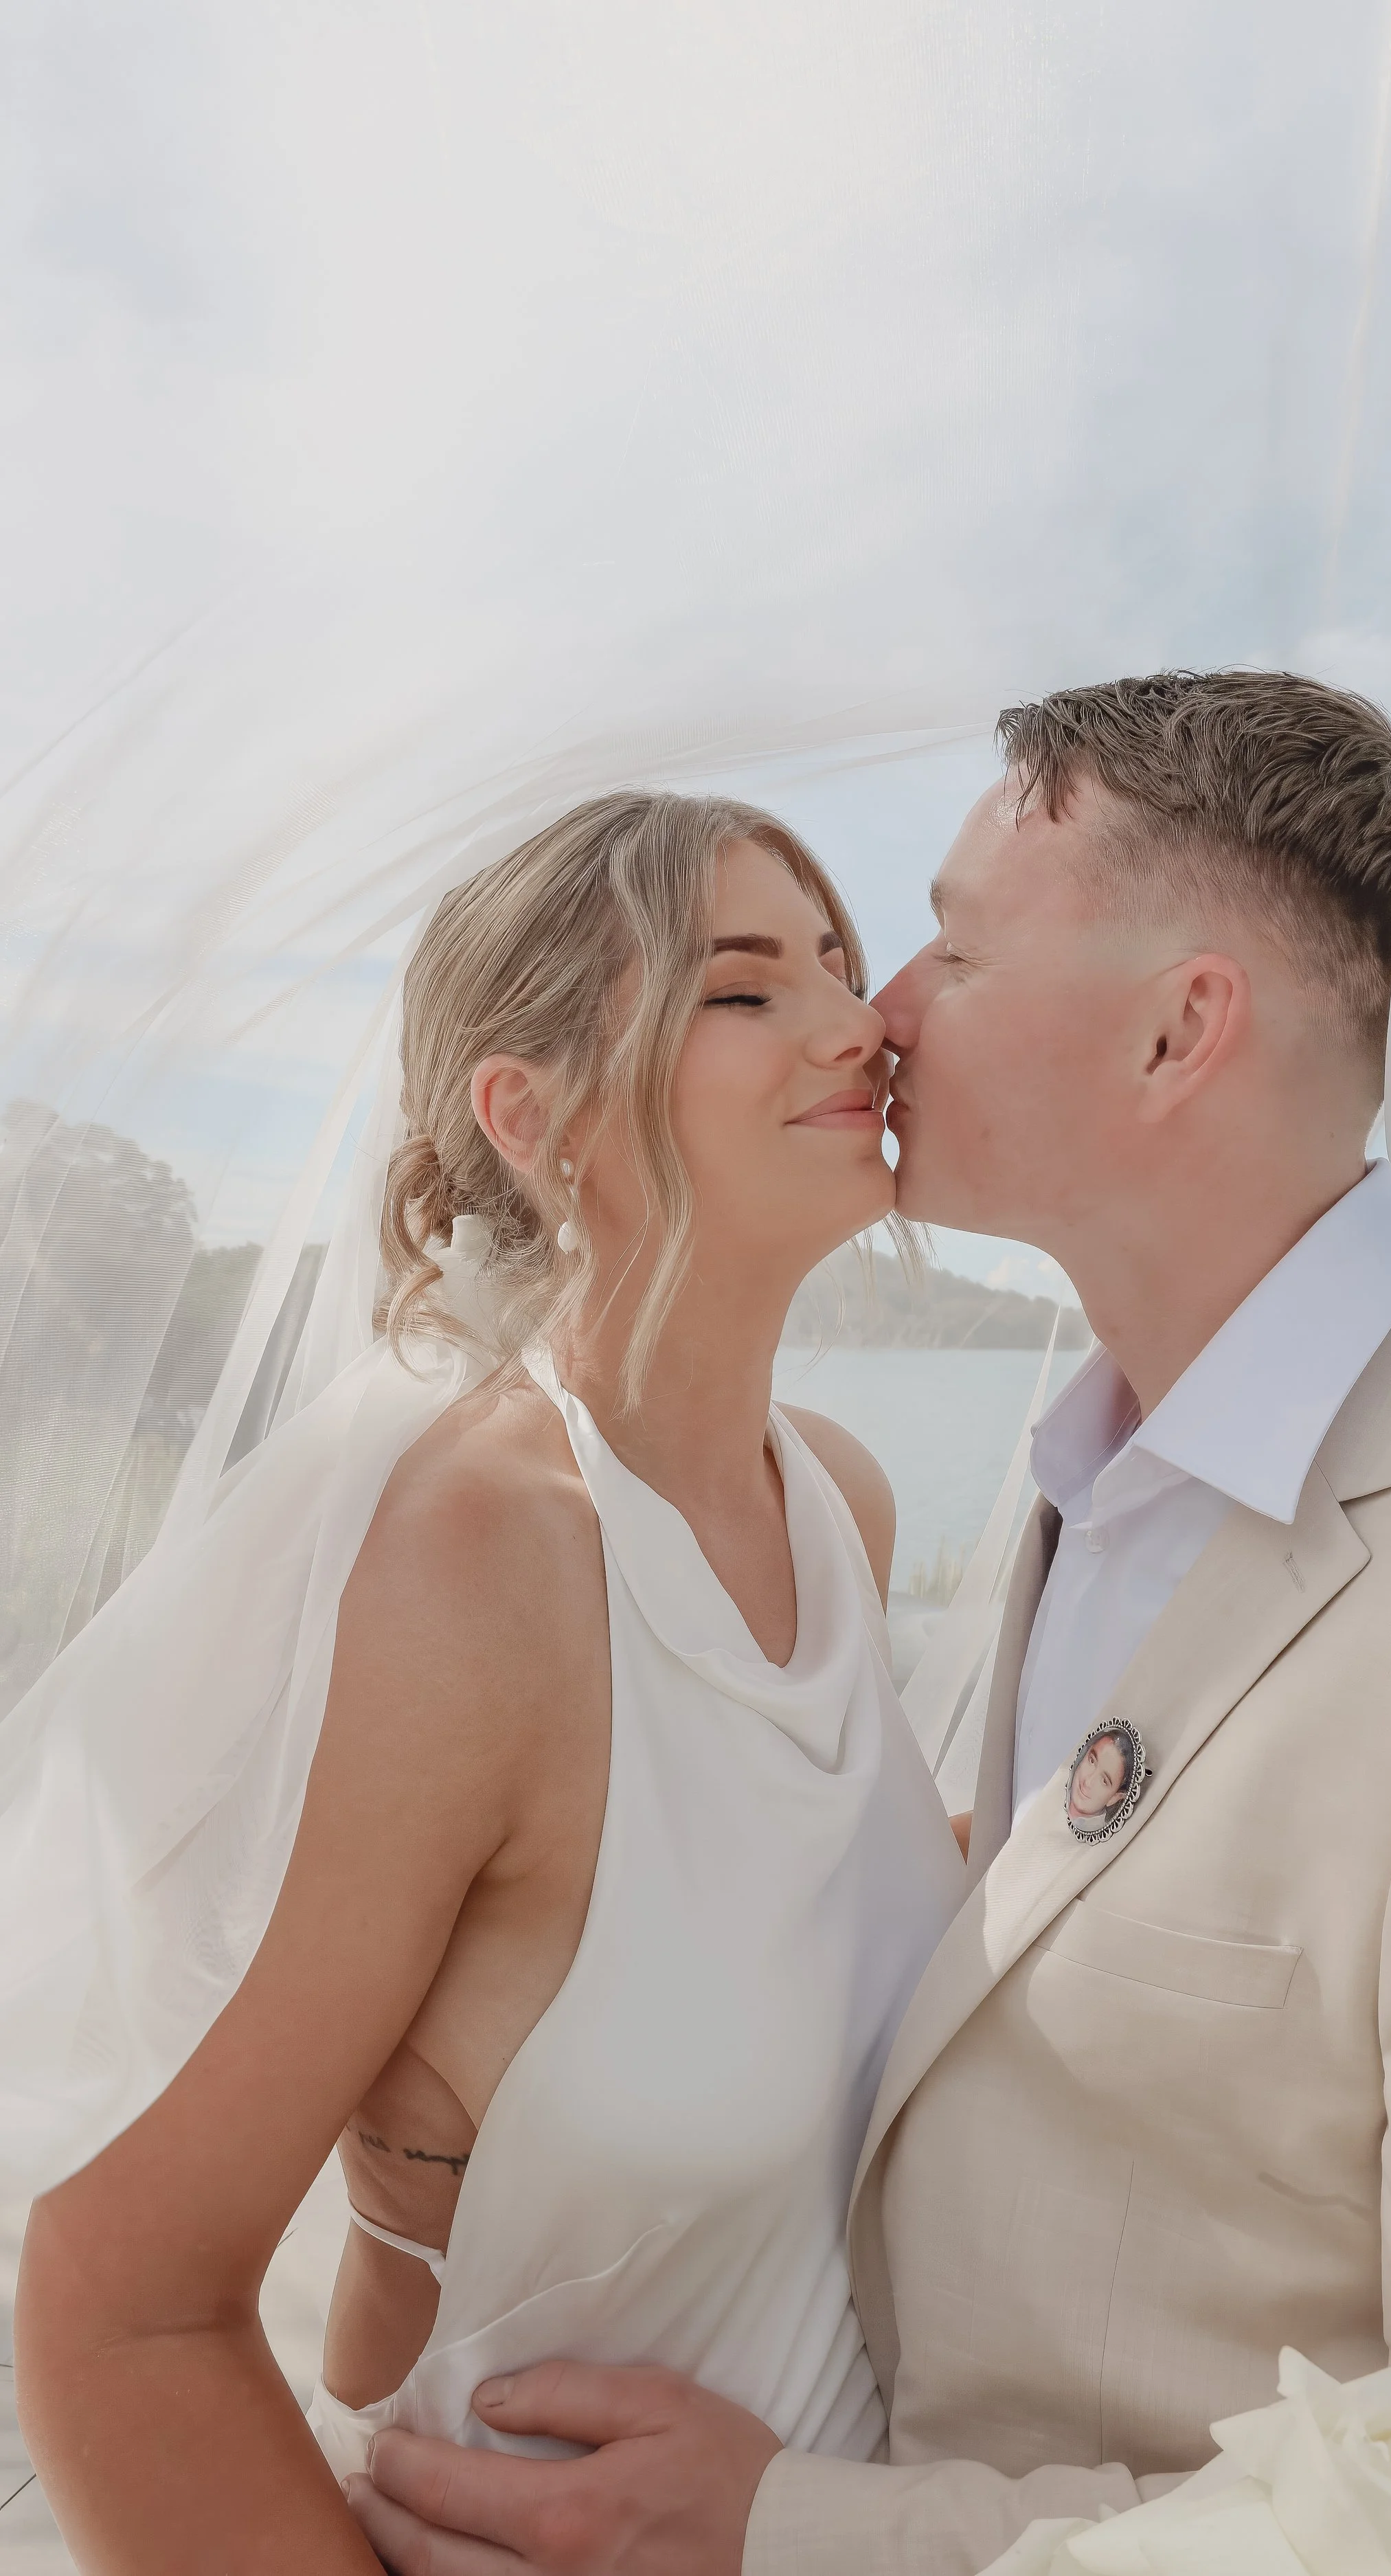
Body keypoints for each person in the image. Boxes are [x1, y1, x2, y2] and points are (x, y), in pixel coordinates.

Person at [350, 671, 1391, 2576]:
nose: (878, 1012)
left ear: (1176, 1032)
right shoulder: (1085, 1459)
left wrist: (785, 2529)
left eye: (957, 951)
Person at [10, 789, 965, 2568]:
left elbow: (764, 1912)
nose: (861, 1021)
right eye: (742, 989)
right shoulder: (483, 1560)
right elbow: (114, 2301)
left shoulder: (840, 1495)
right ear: (534, 1119)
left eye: (840, 961)